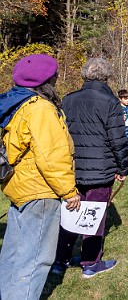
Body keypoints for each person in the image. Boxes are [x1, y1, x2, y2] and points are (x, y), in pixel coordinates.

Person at [0, 54, 80, 299]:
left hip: (20, 188)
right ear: (47, 80)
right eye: (55, 75)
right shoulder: (41, 109)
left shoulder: (17, 103)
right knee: (34, 260)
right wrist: (69, 192)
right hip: (41, 192)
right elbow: (52, 156)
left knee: (14, 256)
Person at [52, 57, 128, 279]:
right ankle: (90, 263)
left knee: (70, 215)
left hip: (73, 169)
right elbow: (118, 139)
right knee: (93, 216)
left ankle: (61, 261)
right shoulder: (110, 101)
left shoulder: (68, 100)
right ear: (106, 77)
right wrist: (123, 168)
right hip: (99, 170)